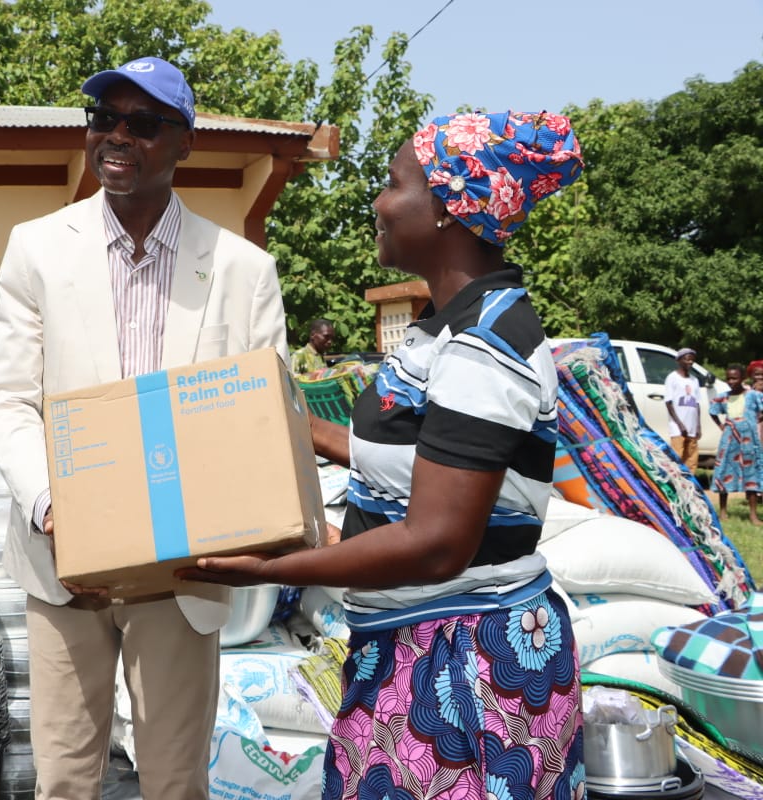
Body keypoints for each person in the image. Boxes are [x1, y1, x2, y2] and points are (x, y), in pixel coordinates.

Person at [181, 111, 587, 800]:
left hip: (464, 670)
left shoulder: (484, 348)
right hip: (410, 645)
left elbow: (436, 544)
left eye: (395, 182)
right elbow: (414, 460)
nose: (378, 201)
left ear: (448, 210)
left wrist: (269, 568)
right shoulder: (443, 330)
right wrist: (273, 415)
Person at [0, 56, 287, 798]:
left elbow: (261, 422)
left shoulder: (243, 270)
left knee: (175, 783)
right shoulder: (37, 250)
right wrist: (54, 504)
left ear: (184, 142)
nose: (115, 136)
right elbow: (8, 400)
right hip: (65, 566)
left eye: (142, 124)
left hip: (184, 573)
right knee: (64, 781)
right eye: (102, 119)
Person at [710, 363, 763, 524]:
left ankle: (753, 515)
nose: (731, 381)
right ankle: (723, 512)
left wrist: (754, 421)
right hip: (729, 440)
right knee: (724, 471)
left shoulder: (753, 395)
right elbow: (713, 411)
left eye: (735, 378)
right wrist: (722, 426)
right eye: (728, 378)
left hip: (749, 441)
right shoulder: (723, 396)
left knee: (751, 474)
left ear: (743, 379)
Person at [665, 347, 702, 472]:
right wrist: (679, 424)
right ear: (679, 360)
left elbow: (697, 404)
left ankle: (690, 485)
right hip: (678, 427)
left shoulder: (694, 380)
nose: (690, 362)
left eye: (692, 360)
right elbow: (669, 403)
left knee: (691, 459)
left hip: (691, 426)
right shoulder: (672, 378)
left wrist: (698, 426)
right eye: (687, 359)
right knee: (677, 456)